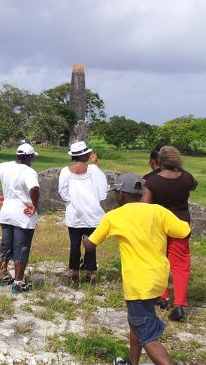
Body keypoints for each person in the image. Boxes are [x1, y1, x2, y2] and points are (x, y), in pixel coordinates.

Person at [82, 173, 191, 365]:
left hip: (138, 285)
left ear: (122, 195)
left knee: (148, 337)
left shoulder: (114, 216)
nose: (115, 196)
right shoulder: (158, 211)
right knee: (136, 323)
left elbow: (91, 245)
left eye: (116, 193)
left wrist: (84, 240)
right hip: (158, 280)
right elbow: (184, 231)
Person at [141, 146, 198, 322]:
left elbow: (144, 206)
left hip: (160, 226)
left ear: (159, 161)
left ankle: (163, 297)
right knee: (180, 266)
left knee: (160, 260)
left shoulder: (152, 182)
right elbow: (193, 186)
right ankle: (180, 304)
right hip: (181, 224)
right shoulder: (186, 177)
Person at [0, 143, 40, 294]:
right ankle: (19, 282)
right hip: (23, 213)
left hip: (7, 211)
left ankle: (3, 276)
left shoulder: (5, 166)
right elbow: (34, 188)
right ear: (29, 157)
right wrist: (34, 204)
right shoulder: (29, 171)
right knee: (21, 246)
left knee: (6, 245)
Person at [58, 140, 108, 282]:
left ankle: (74, 271)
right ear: (84, 155)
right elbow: (102, 185)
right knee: (90, 244)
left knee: (74, 244)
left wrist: (73, 201)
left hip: (74, 214)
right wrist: (96, 163)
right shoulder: (92, 170)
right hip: (92, 214)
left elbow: (63, 193)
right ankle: (90, 271)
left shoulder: (65, 171)